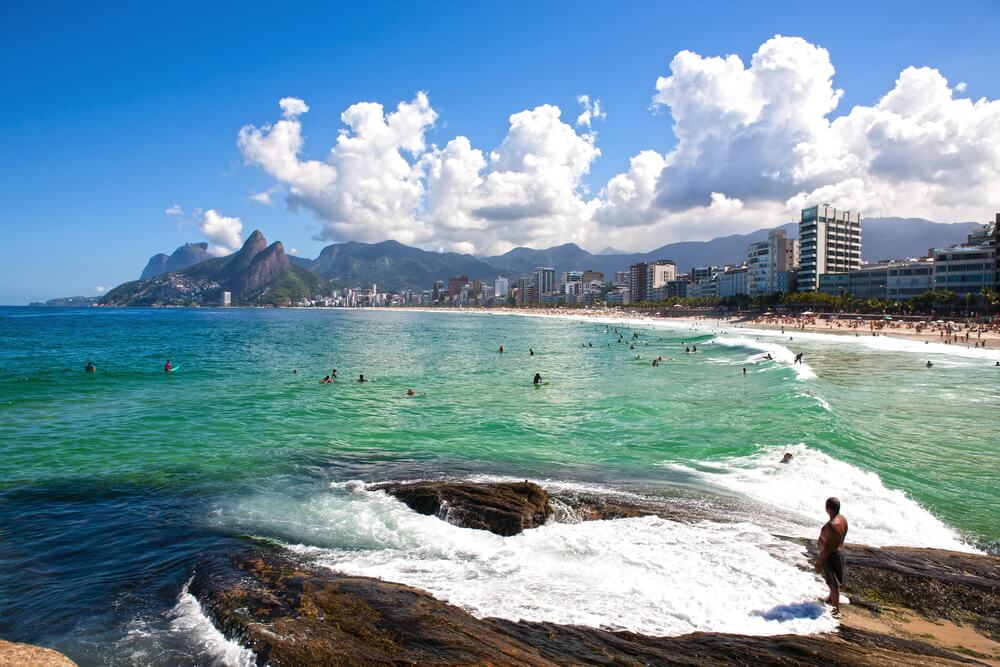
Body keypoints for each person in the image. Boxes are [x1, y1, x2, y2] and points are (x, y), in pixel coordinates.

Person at [815, 497, 849, 615]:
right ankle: (830, 599)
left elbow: (828, 548)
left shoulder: (832, 525)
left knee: (833, 584)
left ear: (827, 508)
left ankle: (836, 610)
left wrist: (820, 562)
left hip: (832, 556)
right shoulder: (842, 519)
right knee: (834, 582)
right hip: (840, 553)